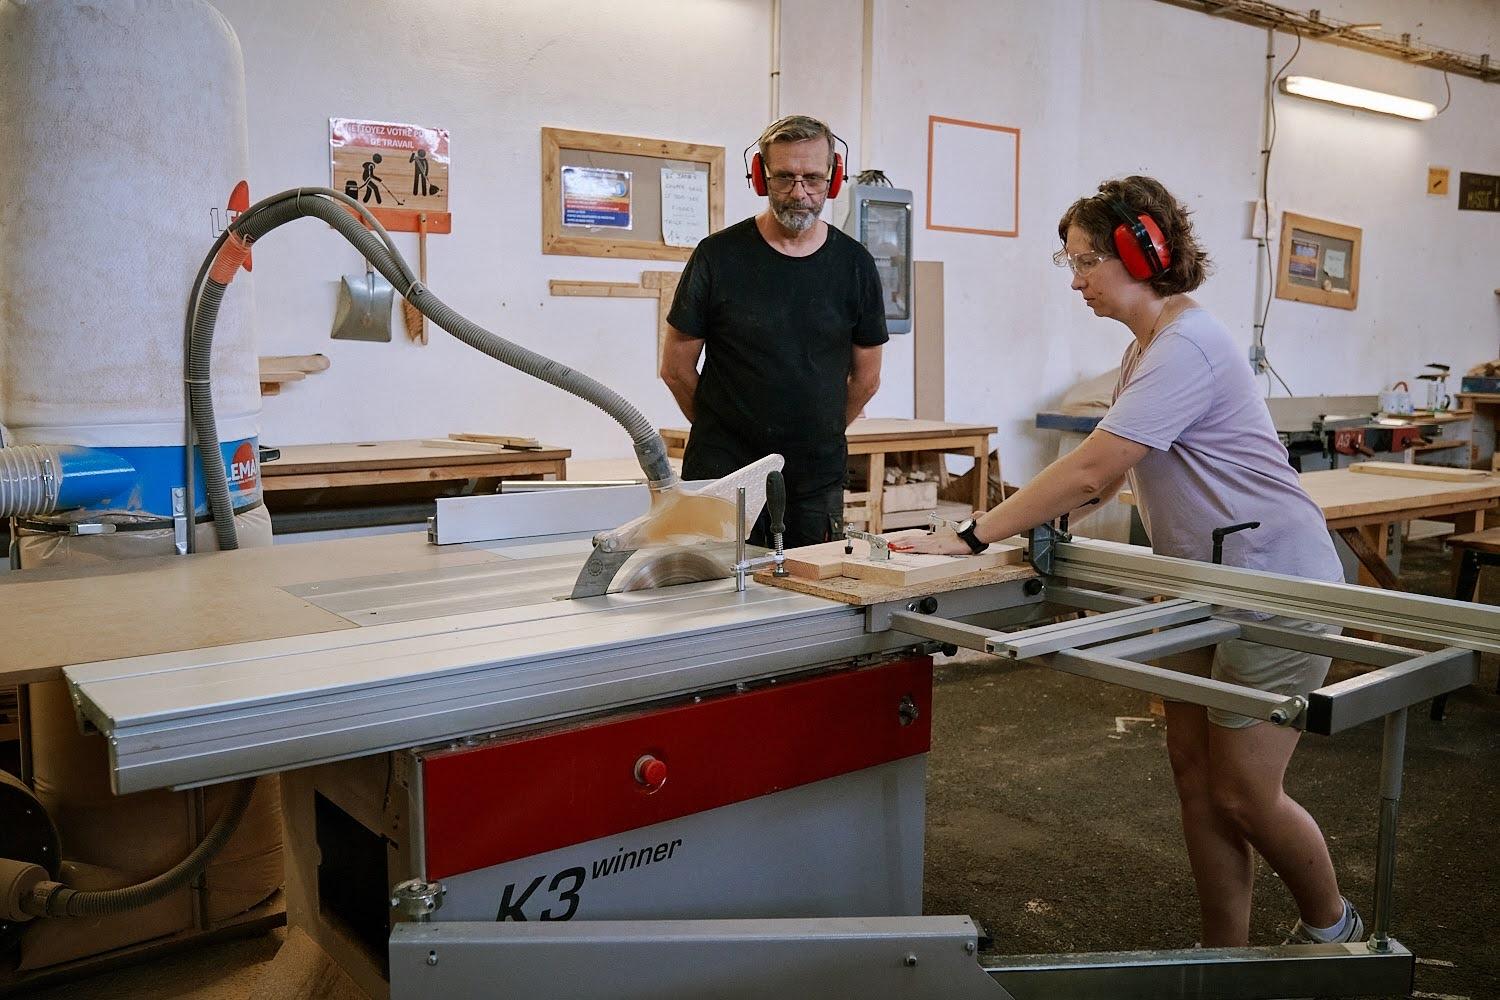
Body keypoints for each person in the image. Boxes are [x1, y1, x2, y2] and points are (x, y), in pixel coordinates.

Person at [898, 175, 1363, 949]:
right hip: (1198, 584)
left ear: (1142, 252)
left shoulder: (1190, 344)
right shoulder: (1144, 348)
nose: (1075, 280)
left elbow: (1089, 466)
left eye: (1085, 261)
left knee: (1246, 792)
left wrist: (973, 535)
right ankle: (1225, 955)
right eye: (1070, 261)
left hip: (1277, 582)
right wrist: (1033, 531)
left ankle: (1332, 928)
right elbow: (1108, 480)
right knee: (1194, 778)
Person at [660, 115, 887, 547]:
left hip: (814, 478)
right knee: (714, 592)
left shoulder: (854, 265)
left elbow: (867, 378)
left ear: (834, 179)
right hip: (722, 474)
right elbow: (675, 369)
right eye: (784, 177)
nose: (799, 193)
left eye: (813, 179)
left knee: (813, 601)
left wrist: (815, 431)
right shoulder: (717, 257)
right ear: (761, 178)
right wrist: (725, 429)